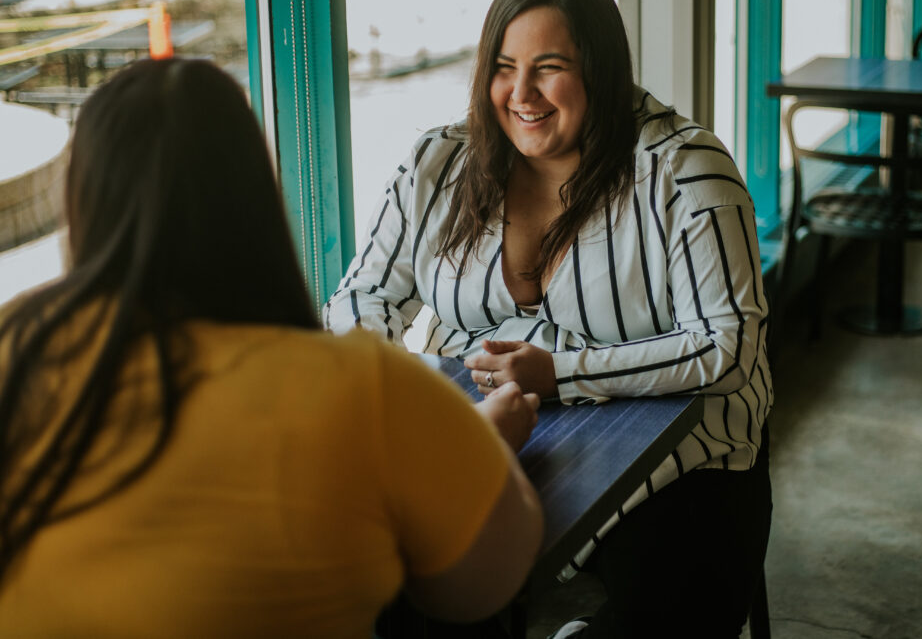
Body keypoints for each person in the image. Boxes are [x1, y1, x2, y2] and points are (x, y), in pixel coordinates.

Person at [0, 58, 543, 638]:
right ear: (254, 197)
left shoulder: (19, 345)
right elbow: (484, 584)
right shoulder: (359, 384)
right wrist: (480, 443)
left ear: (82, 207)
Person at [325, 0, 773, 637]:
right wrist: (400, 403)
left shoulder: (685, 168)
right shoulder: (438, 163)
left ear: (601, 70)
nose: (522, 94)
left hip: (685, 464)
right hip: (503, 446)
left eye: (549, 67)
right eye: (504, 68)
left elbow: (727, 346)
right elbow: (361, 301)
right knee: (401, 597)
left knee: (665, 617)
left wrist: (561, 375)